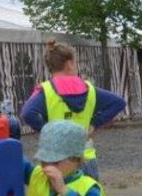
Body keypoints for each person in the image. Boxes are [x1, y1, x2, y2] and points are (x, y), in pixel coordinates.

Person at [21, 40, 126, 181]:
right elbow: (119, 103)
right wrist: (94, 124)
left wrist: (47, 130)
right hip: (86, 156)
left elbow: (27, 113)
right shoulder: (89, 89)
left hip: (58, 160)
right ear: (69, 64)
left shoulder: (46, 91)